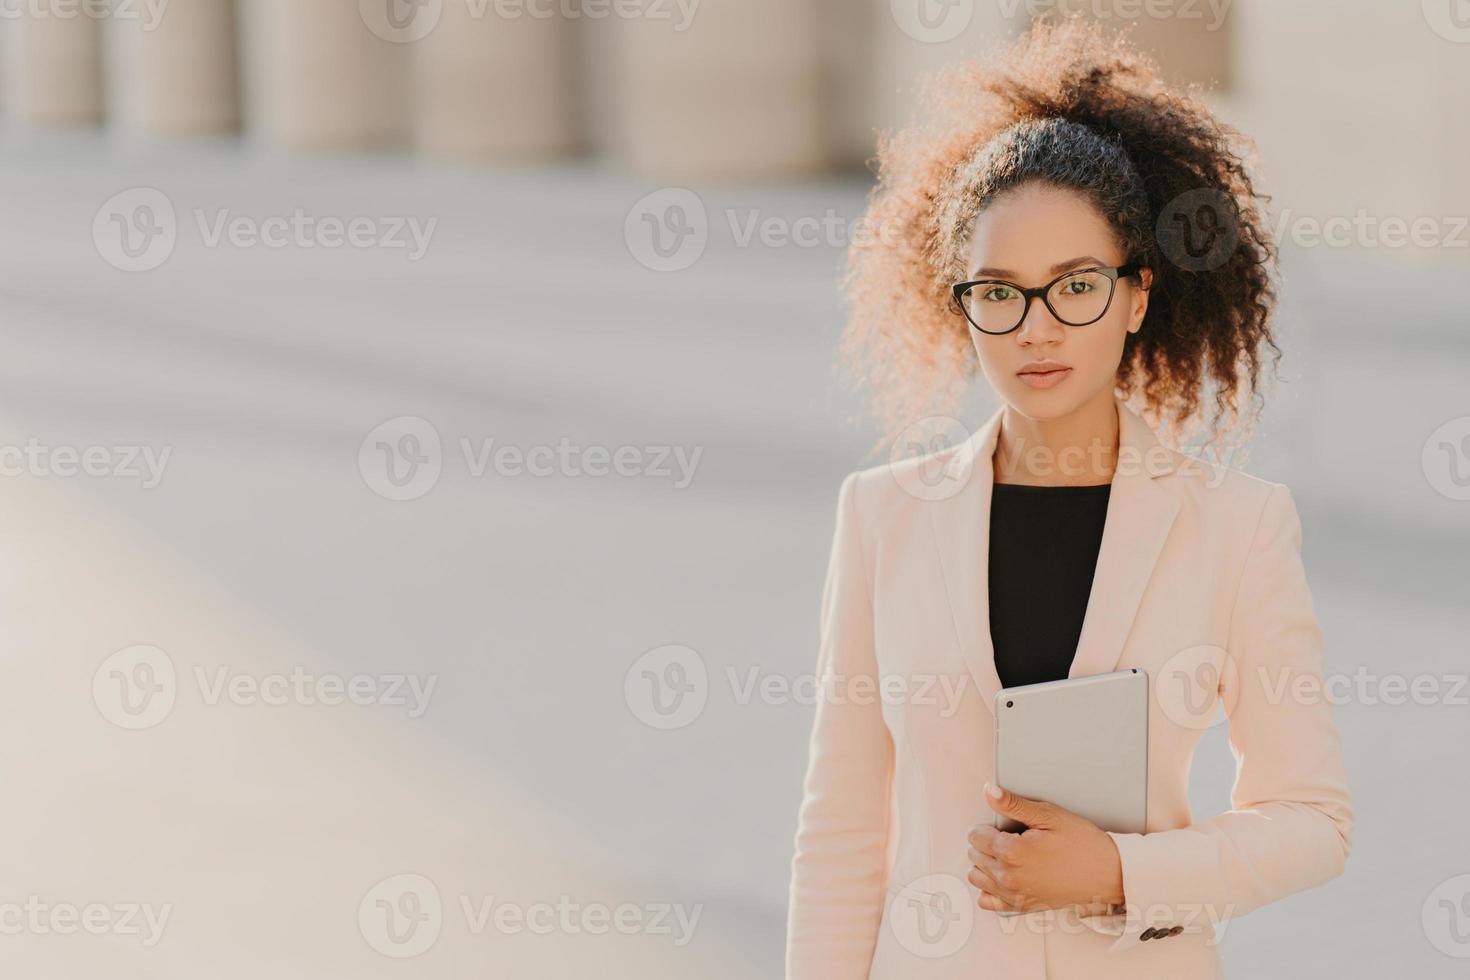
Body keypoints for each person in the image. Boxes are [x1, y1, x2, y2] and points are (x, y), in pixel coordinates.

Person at [785, 20, 1353, 979]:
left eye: (1075, 287)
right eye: (998, 292)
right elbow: (841, 832)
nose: (1036, 329)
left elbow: (1313, 821)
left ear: (1137, 296)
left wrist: (1123, 872)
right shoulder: (881, 516)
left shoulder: (1237, 528)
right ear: (957, 302)